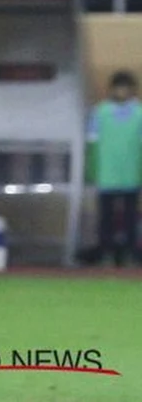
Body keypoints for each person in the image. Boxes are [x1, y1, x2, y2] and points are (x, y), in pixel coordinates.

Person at [87, 70, 142, 267]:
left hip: (131, 175)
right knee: (105, 219)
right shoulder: (100, 112)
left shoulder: (139, 113)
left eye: (126, 88)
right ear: (111, 89)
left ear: (132, 90)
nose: (122, 91)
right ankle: (106, 254)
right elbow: (92, 144)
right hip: (106, 175)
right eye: (118, 87)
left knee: (130, 219)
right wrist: (91, 170)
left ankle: (131, 255)